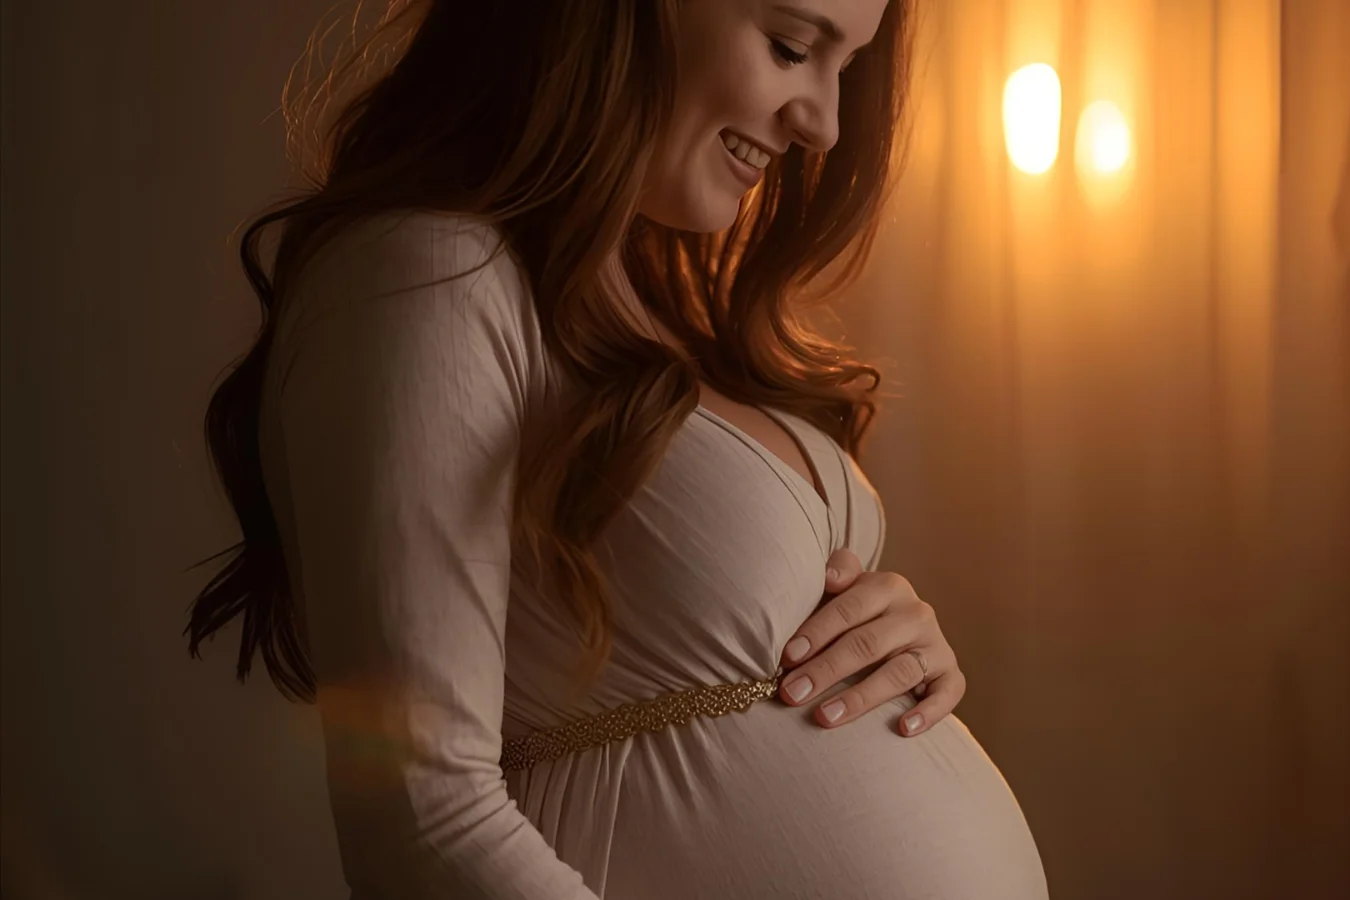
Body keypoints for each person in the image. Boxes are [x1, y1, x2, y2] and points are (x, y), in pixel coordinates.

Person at [185, 1, 1048, 897]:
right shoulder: (426, 271)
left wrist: (894, 658)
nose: (824, 123)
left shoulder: (665, 318)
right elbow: (419, 820)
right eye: (791, 47)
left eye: (847, 67)